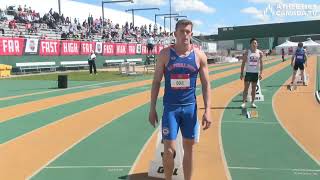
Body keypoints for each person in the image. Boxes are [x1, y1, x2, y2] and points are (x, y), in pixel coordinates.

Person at [149, 19, 212, 180]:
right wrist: (152, 108)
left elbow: (206, 84)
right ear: (175, 34)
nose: (185, 34)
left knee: (188, 149)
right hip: (171, 108)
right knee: (169, 150)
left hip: (190, 108)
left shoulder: (198, 56)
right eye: (182, 31)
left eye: (188, 32)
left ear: (191, 34)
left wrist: (208, 110)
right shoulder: (165, 54)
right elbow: (156, 81)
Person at [240, 38, 263, 108]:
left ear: (257, 44)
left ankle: (252, 103)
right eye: (253, 43)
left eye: (255, 43)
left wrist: (261, 73)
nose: (254, 44)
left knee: (253, 89)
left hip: (255, 73)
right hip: (248, 73)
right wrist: (241, 73)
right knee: (246, 89)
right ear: (250, 44)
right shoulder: (247, 52)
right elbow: (243, 63)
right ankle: (243, 103)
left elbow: (261, 63)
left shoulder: (260, 53)